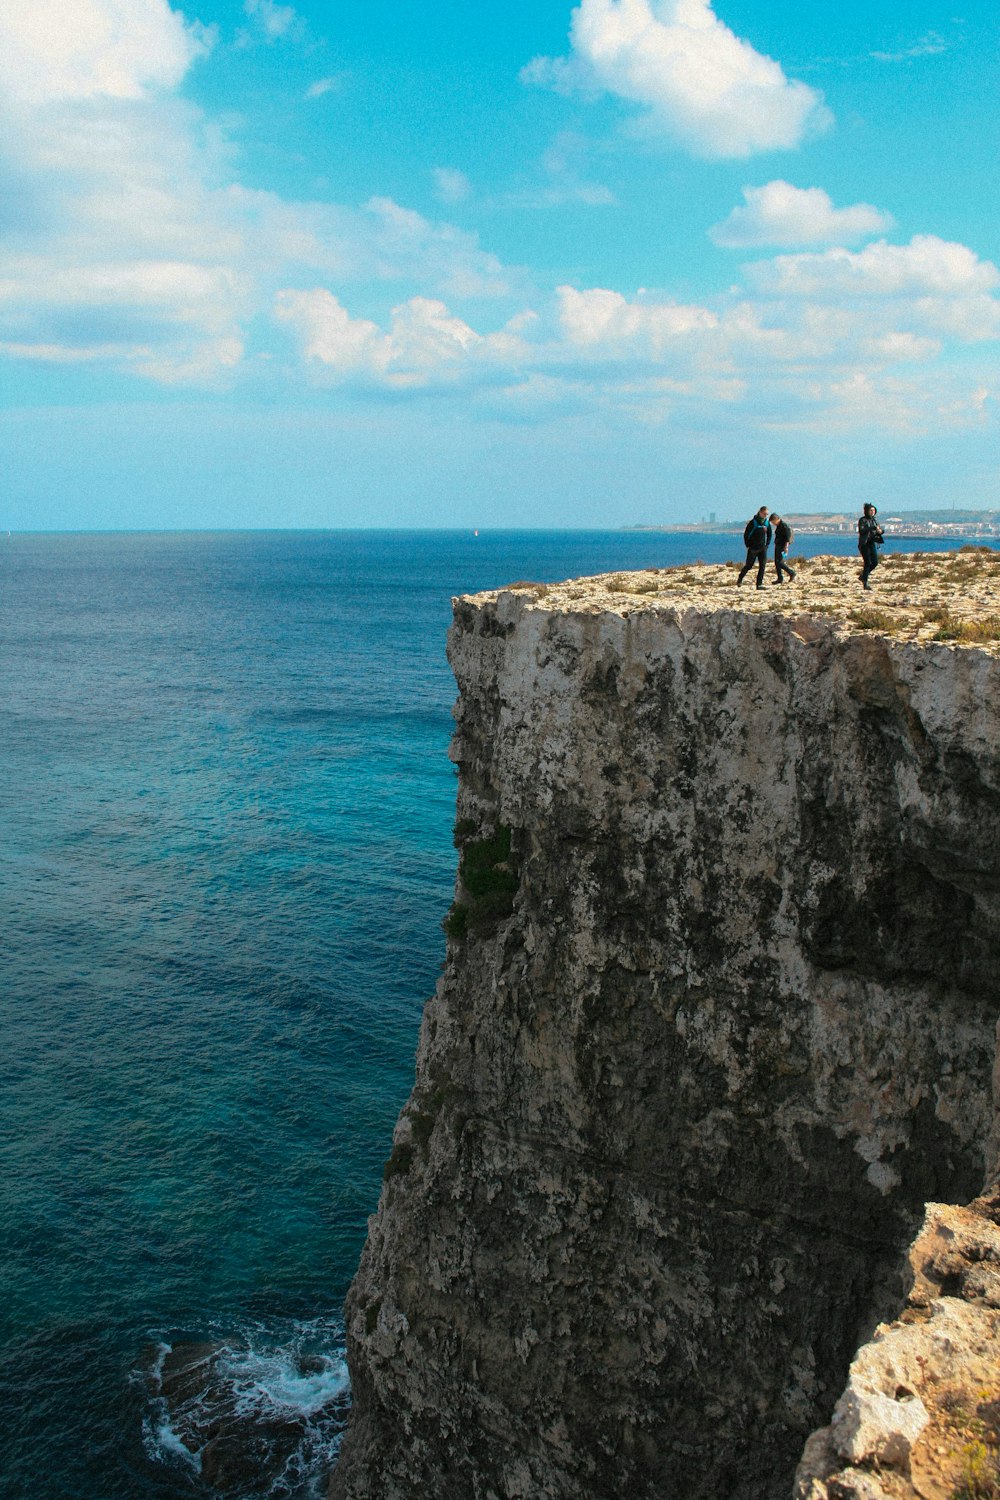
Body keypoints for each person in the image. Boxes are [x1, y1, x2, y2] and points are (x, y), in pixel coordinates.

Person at [737, 506, 772, 589]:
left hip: (762, 548)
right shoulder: (753, 522)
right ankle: (740, 578)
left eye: (767, 514)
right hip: (753, 548)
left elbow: (769, 534)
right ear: (760, 512)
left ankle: (759, 584)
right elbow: (746, 535)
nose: (765, 516)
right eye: (764, 514)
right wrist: (748, 545)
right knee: (749, 565)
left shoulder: (767, 523)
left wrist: (767, 545)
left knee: (762, 566)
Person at [858, 503, 884, 590]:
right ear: (867, 511)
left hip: (872, 543)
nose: (872, 512)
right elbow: (862, 531)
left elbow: (879, 530)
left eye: (874, 510)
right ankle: (865, 583)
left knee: (875, 562)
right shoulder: (862, 520)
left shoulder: (875, 520)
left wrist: (880, 531)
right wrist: (872, 528)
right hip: (864, 544)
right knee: (867, 562)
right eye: (871, 510)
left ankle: (863, 576)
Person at [771, 513, 795, 584]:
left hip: (782, 546)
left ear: (776, 519)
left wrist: (786, 547)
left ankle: (791, 573)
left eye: (773, 522)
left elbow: (787, 537)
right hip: (778, 545)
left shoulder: (783, 525)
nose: (773, 523)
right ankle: (780, 578)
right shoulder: (779, 526)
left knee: (779, 562)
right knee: (777, 562)